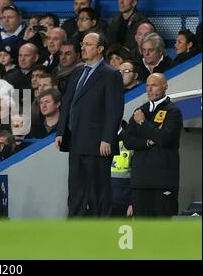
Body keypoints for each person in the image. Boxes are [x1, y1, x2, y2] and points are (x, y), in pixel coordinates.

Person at [55, 32, 124, 217]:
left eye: (88, 44)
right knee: (76, 191)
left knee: (99, 192)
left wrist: (107, 138)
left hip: (97, 144)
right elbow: (68, 102)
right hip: (75, 140)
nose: (83, 47)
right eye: (83, 44)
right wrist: (60, 131)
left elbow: (114, 110)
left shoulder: (111, 74)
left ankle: (101, 232)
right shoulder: (77, 71)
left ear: (100, 49)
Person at [122, 73, 183, 217]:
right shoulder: (139, 111)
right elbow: (128, 141)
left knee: (163, 231)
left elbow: (165, 139)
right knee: (142, 231)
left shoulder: (173, 112)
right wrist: (148, 141)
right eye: (147, 85)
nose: (149, 89)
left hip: (163, 181)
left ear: (165, 87)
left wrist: (143, 124)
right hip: (140, 182)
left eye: (154, 85)